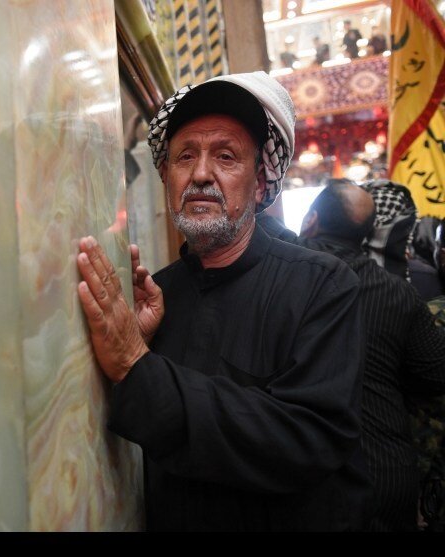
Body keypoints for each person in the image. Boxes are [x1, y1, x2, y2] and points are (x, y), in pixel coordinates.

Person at [75, 71, 371, 531]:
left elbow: (307, 440)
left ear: (259, 183)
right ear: (166, 177)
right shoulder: (159, 294)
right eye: (185, 156)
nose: (200, 174)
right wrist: (141, 344)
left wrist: (137, 365)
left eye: (226, 156)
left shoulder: (322, 286)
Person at [259, 181, 445, 531]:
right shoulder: (398, 293)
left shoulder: (278, 273)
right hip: (385, 475)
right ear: (367, 233)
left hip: (302, 474)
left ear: (311, 220)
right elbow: (435, 376)